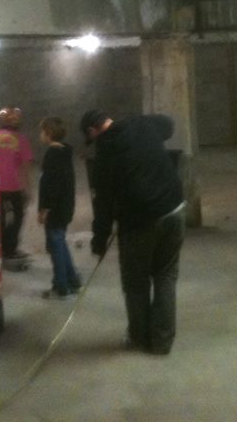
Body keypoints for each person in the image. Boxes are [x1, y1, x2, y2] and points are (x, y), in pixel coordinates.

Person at [80, 109, 186, 355]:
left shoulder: (104, 155)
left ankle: (139, 338)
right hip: (173, 210)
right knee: (165, 276)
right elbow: (168, 124)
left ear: (92, 131)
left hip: (139, 224)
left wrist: (99, 240)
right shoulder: (141, 124)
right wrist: (143, 125)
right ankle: (162, 342)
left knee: (136, 284)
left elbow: (103, 205)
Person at [0, 106, 34, 264]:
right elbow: (25, 166)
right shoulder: (20, 139)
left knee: (0, 218)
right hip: (14, 186)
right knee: (18, 216)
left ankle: (1, 249)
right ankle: (10, 250)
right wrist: (28, 189)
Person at [37, 117, 82, 299]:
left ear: (48, 133)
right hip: (65, 206)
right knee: (60, 243)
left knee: (56, 246)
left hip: (55, 209)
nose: (40, 135)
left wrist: (44, 209)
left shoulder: (52, 154)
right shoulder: (64, 152)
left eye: (42, 131)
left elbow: (50, 186)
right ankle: (73, 280)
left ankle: (61, 286)